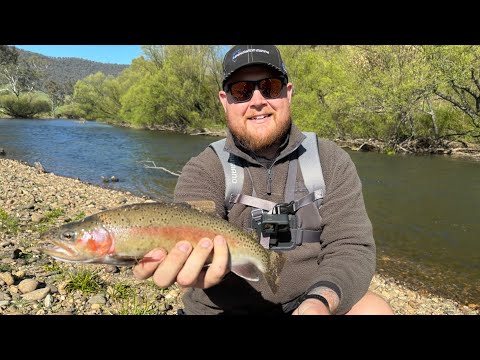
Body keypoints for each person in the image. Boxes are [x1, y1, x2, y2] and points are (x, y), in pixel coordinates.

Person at [133, 45, 394, 315]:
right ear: (225, 101)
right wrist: (204, 269)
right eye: (241, 91)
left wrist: (320, 301)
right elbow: (189, 230)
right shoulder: (204, 168)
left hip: (307, 301)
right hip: (222, 309)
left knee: (375, 309)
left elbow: (351, 245)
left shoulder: (330, 160)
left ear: (288, 93)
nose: (257, 101)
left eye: (269, 87)